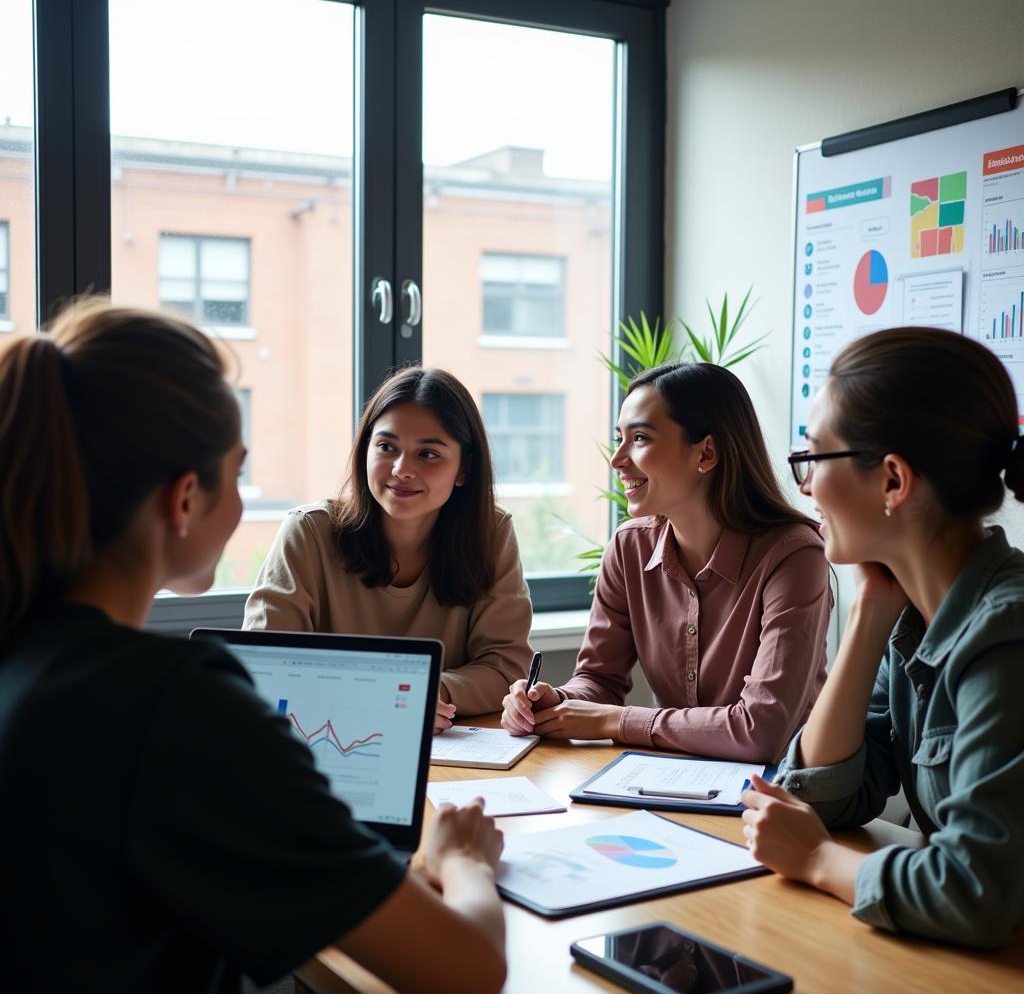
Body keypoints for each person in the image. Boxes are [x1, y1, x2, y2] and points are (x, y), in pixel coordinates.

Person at [0, 303, 506, 994]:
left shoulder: (27, 650)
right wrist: (463, 860)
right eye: (237, 476)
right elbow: (470, 975)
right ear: (184, 499)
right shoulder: (178, 709)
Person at [740, 326, 1024, 949]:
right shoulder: (914, 612)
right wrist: (870, 612)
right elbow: (819, 797)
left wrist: (819, 860)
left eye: (814, 456)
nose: (805, 484)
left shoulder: (1006, 632)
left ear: (893, 481)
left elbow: (978, 889)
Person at [502, 361, 831, 761]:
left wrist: (614, 721)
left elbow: (761, 730)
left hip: (779, 791)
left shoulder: (794, 556)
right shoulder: (628, 548)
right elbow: (599, 680)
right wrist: (554, 702)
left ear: (706, 453)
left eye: (639, 438)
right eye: (619, 438)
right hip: (671, 780)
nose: (617, 459)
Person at [244, 366, 533, 733]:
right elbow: (266, 665)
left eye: (428, 454)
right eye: (386, 447)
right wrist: (394, 698)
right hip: (326, 741)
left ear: (464, 470)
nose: (401, 469)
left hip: (449, 746)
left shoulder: (491, 533)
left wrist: (428, 694)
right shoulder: (308, 532)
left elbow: (505, 666)